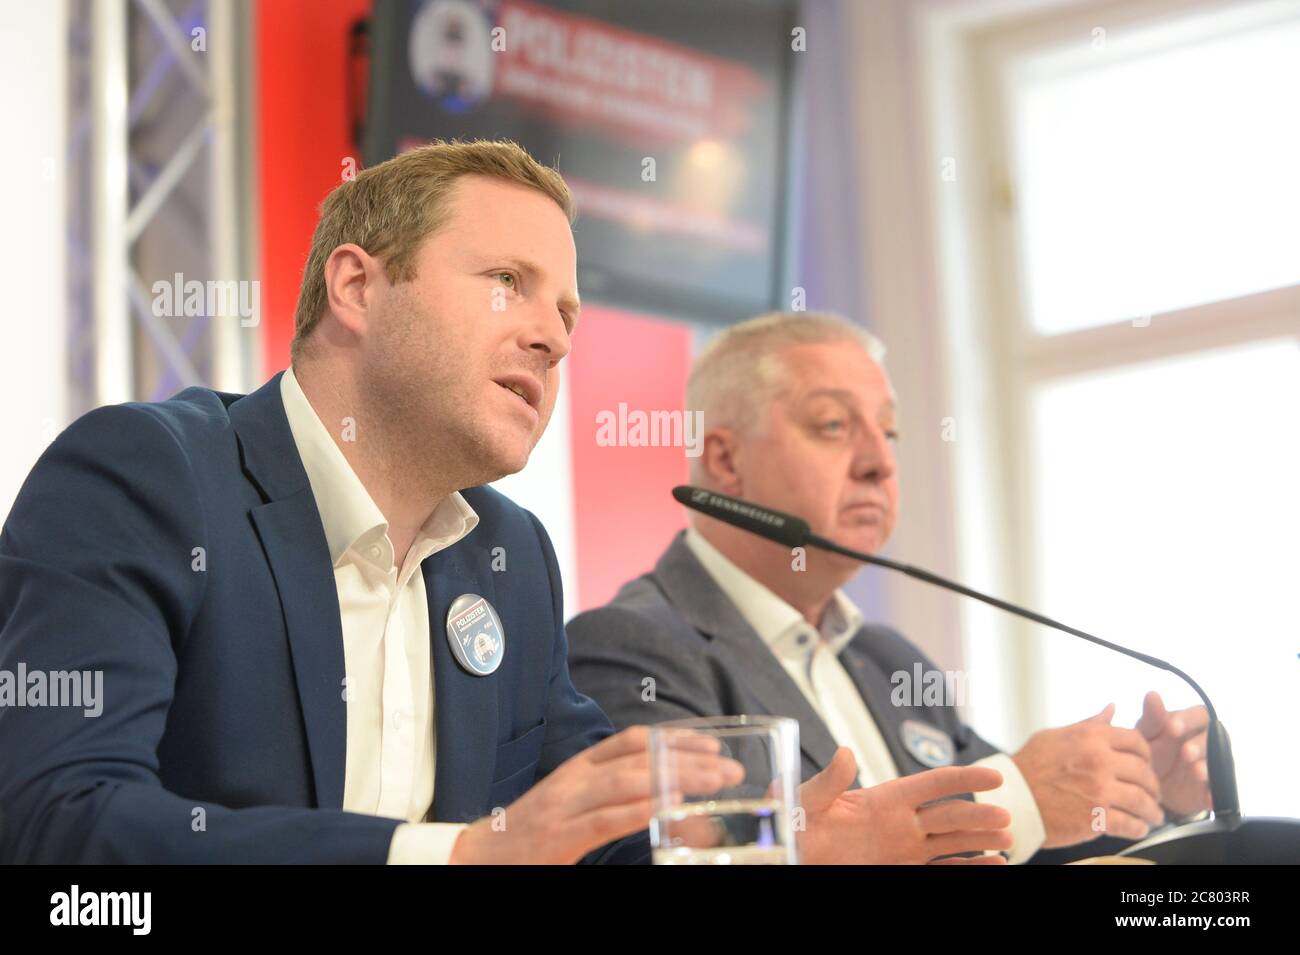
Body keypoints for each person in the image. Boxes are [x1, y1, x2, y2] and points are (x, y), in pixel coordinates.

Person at [0, 139, 753, 864]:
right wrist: (449, 857)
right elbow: (60, 822)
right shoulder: (147, 476)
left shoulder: (510, 554)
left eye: (566, 314)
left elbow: (587, 839)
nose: (553, 340)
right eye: (507, 283)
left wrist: (768, 845)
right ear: (357, 288)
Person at [567, 311, 1212, 864]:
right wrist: (1021, 794)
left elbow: (1036, 838)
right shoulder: (629, 650)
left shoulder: (888, 659)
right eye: (832, 425)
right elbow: (697, 859)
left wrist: (1147, 793)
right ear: (727, 461)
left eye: (890, 431)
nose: (880, 462)